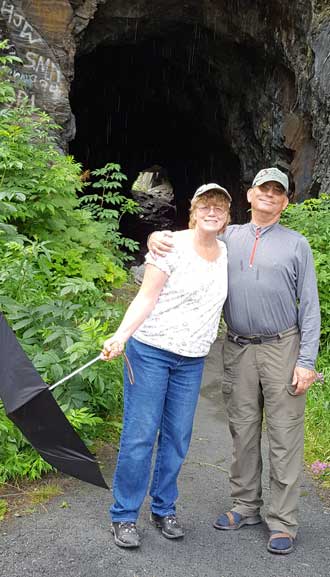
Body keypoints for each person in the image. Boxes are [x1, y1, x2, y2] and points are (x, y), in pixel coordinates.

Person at [148, 167, 321, 555]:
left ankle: (283, 521)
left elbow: (310, 307)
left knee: (284, 436)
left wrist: (306, 361)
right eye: (264, 189)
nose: (270, 196)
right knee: (243, 431)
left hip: (283, 347)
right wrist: (155, 235)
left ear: (285, 201)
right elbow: (190, 239)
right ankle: (245, 506)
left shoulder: (297, 245)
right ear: (249, 195)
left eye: (278, 191)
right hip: (239, 348)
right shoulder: (228, 236)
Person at [101, 183, 231, 548]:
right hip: (151, 352)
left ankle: (163, 508)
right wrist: (121, 335)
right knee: (140, 436)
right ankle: (124, 515)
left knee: (177, 439)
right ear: (193, 208)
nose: (212, 211)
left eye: (219, 207)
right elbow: (146, 297)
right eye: (206, 204)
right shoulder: (170, 244)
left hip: (191, 361)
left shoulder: (225, 250)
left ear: (227, 216)